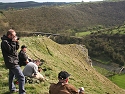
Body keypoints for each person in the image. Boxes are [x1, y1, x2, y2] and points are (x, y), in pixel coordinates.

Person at [1, 29, 25, 94]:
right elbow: (11, 50)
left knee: (11, 76)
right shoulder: (5, 42)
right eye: (14, 35)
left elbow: (16, 49)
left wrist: (16, 42)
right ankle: (22, 92)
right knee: (21, 77)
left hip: (13, 61)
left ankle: (12, 89)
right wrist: (13, 42)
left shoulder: (10, 41)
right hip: (11, 62)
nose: (15, 36)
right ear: (9, 35)